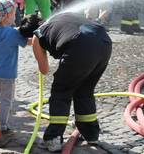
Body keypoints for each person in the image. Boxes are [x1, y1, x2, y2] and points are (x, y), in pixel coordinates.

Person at [30, 12, 112, 152]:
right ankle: (91, 134)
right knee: (84, 91)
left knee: (61, 91)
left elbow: (44, 70)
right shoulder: (59, 18)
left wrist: (37, 49)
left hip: (80, 45)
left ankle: (53, 139)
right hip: (104, 42)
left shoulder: (37, 35)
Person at [0, 0, 30, 133]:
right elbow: (27, 42)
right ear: (7, 16)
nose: (15, 16)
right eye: (14, 14)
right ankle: (2, 125)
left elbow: (7, 33)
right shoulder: (13, 33)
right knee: (6, 100)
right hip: (7, 74)